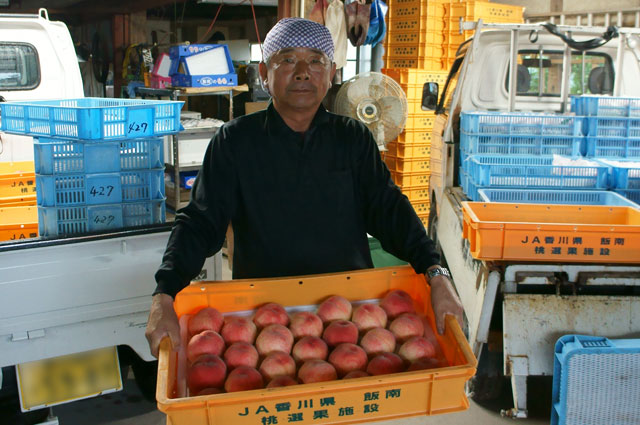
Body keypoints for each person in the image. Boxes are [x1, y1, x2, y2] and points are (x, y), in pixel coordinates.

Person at [145, 17, 463, 358]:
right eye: (286, 60)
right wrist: (164, 293)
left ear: (332, 73)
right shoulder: (235, 142)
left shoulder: (353, 139)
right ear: (263, 72)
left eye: (315, 60)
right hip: (263, 321)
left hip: (352, 318)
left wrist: (436, 273)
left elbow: (389, 210)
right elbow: (200, 223)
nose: (302, 71)